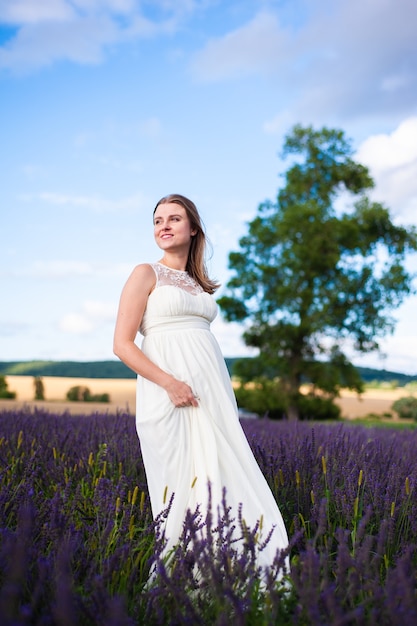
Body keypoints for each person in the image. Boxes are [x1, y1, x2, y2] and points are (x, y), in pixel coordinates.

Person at [113, 193, 289, 574]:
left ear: (193, 228)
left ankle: (235, 568)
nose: (164, 225)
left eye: (174, 219)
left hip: (211, 391)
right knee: (182, 484)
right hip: (168, 393)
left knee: (225, 473)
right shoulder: (146, 273)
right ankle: (185, 577)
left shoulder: (197, 283)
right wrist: (170, 383)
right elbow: (122, 345)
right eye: (158, 220)